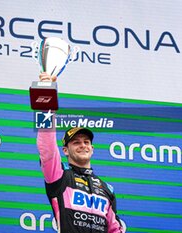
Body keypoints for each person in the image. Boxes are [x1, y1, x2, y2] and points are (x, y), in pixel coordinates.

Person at [37, 73, 125, 233]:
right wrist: (46, 95)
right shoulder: (59, 177)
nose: (82, 145)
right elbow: (47, 147)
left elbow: (114, 229)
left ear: (92, 149)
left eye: (86, 142)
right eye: (76, 142)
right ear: (65, 150)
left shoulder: (106, 189)